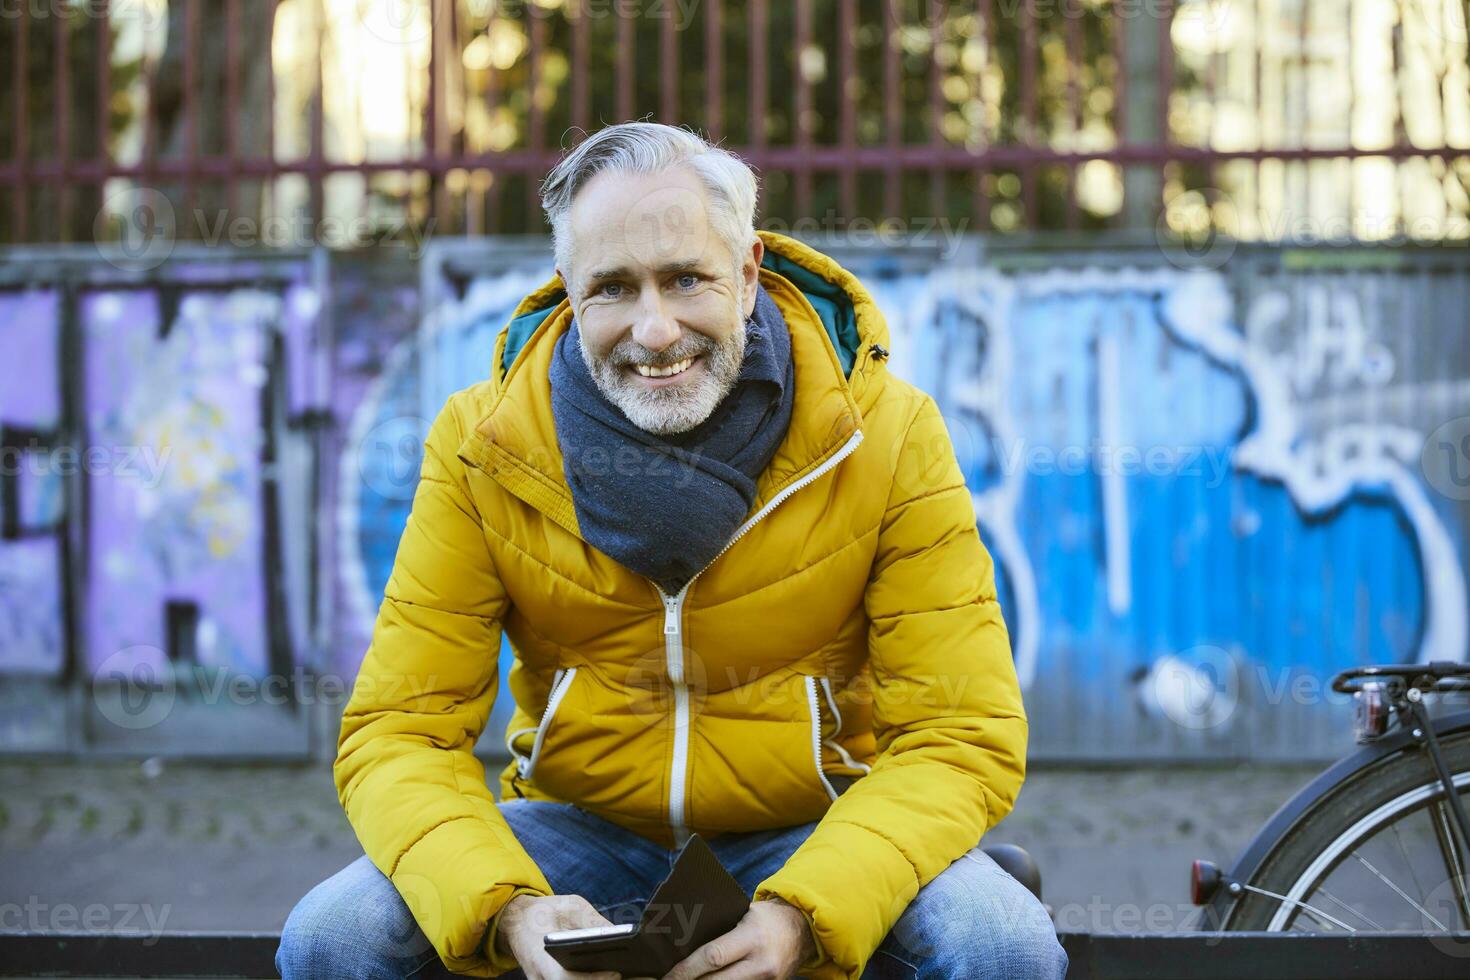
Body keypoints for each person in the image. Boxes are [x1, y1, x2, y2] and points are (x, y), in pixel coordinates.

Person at [277, 122, 1067, 980]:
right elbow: (400, 731)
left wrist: (807, 910)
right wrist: (507, 905)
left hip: (819, 828)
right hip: (572, 835)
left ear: (749, 271)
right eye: (613, 289)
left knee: (1003, 943)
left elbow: (959, 734)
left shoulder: (887, 434)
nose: (654, 331)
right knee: (333, 935)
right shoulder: (483, 444)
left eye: (686, 278)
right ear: (570, 293)